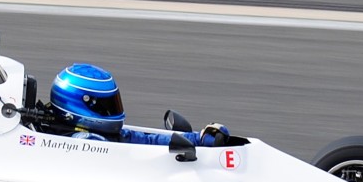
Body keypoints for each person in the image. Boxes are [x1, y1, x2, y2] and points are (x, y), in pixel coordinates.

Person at [46, 63, 229, 146]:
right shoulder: (86, 144)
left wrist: (197, 138)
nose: (113, 111)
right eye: (106, 105)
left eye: (114, 103)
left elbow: (142, 139)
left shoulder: (101, 134)